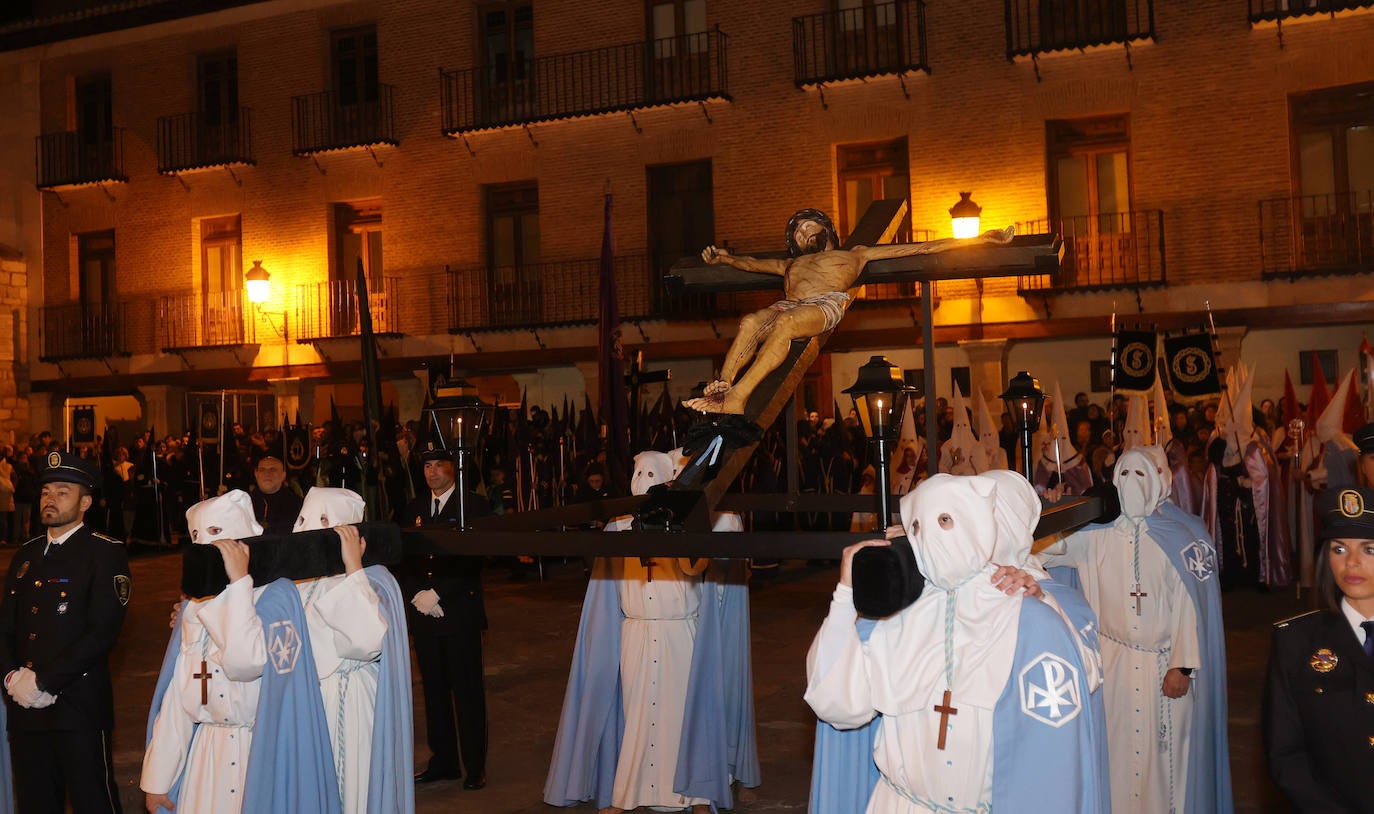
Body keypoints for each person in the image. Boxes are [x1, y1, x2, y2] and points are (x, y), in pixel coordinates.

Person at [805, 473, 1104, 813]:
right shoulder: (894, 617)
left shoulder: (1026, 613)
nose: (931, 535)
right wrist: (845, 595)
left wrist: (1043, 605)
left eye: (945, 519)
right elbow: (836, 706)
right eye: (917, 526)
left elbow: (1077, 693)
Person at [545, 450, 760, 814]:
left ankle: (697, 795)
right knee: (639, 712)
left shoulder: (691, 524)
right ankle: (626, 793)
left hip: (682, 635)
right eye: (639, 472)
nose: (643, 479)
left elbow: (722, 535)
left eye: (652, 473)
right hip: (636, 634)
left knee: (684, 715)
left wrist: (695, 493)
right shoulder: (618, 527)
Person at [1040, 446, 1232, 814]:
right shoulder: (1093, 537)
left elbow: (1189, 606)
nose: (1131, 483)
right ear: (1112, 482)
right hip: (1113, 664)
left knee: (1166, 759)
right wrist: (1054, 511)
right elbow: (1042, 550)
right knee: (1117, 750)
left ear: (1158, 483)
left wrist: (1183, 665)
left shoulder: (1177, 537)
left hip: (1164, 666)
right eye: (1123, 475)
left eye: (1140, 474)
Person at [686, 209, 1014, 414]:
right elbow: (750, 264)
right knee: (750, 321)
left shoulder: (857, 254)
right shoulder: (790, 263)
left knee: (784, 323)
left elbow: (923, 247)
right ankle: (724, 386)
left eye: (806, 226)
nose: (803, 234)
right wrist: (725, 259)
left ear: (825, 226)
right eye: (798, 234)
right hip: (790, 302)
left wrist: (980, 240)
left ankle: (739, 398)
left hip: (824, 303)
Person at [0, 450, 131, 812]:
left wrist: (45, 681)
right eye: (46, 492)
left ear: (85, 501)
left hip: (78, 707)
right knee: (35, 802)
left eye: (62, 491)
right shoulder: (24, 555)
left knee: (93, 801)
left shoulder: (105, 553)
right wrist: (12, 677)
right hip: (25, 708)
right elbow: (6, 627)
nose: (50, 499)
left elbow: (102, 632)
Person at [142, 490, 265, 814]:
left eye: (216, 533)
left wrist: (240, 584)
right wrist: (158, 779)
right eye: (197, 536)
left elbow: (245, 664)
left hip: (259, 751)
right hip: (208, 754)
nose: (205, 545)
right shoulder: (193, 610)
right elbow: (179, 699)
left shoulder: (270, 600)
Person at [1263, 485, 1374, 811]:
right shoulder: (1295, 641)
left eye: (1369, 550)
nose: (1352, 563)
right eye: (1339, 549)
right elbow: (1285, 755)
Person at [400, 443, 488, 790]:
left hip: (459, 612)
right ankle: (444, 762)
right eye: (426, 466)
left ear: (454, 468)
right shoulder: (415, 507)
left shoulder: (473, 505)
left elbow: (475, 557)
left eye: (438, 465)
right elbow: (404, 556)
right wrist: (417, 596)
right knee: (434, 693)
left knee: (467, 693)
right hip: (425, 614)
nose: (432, 472)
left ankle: (475, 766)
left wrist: (440, 593)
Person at [248, 453, 303, 536]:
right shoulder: (243, 503)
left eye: (273, 470)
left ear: (283, 475)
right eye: (262, 470)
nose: (267, 474)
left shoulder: (298, 504)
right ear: (256, 474)